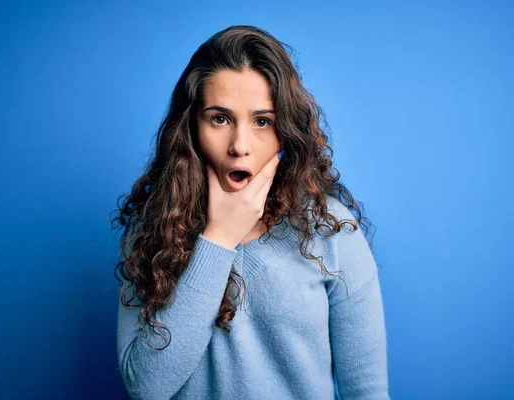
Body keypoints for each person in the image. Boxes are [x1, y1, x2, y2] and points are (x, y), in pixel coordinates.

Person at [111, 25, 390, 400]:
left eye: (262, 121)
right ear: (191, 126)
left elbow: (367, 393)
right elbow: (147, 387)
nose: (239, 146)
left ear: (285, 130)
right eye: (220, 119)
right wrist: (219, 238)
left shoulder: (331, 232)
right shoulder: (153, 229)